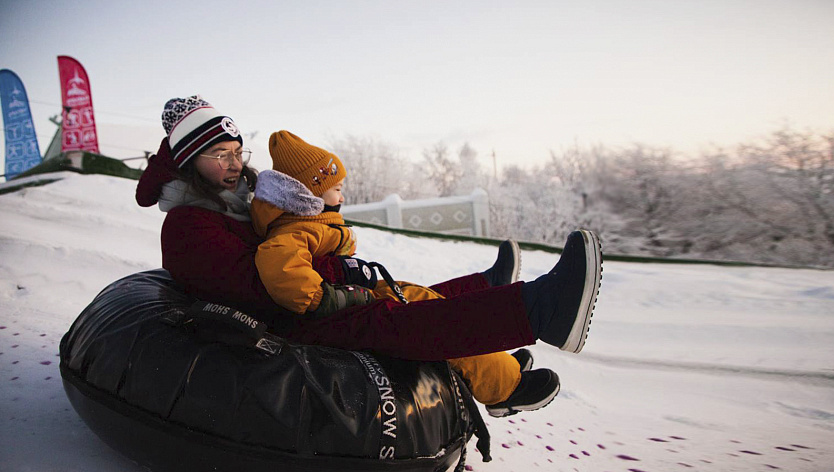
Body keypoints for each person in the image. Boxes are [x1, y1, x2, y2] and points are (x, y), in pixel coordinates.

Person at [136, 96, 602, 416]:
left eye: (238, 151)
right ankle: (541, 311)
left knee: (402, 295)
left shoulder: (237, 202)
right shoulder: (187, 226)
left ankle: (487, 300)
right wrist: (339, 290)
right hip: (287, 321)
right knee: (393, 315)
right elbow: (261, 289)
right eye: (220, 154)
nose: (236, 165)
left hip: (313, 293)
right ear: (187, 161)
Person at [249, 130, 560, 416]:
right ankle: (504, 389)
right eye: (337, 189)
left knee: (421, 297)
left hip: (351, 298)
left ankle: (496, 362)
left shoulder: (310, 222)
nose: (342, 197)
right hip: (334, 314)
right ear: (313, 189)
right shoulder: (294, 229)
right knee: (423, 311)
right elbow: (283, 270)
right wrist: (329, 298)